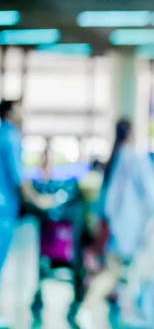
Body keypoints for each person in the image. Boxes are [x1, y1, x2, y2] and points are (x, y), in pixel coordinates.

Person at [77, 118, 154, 329]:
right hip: (124, 227)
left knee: (120, 271)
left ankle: (121, 311)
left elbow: (105, 197)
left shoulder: (116, 157)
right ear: (132, 133)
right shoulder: (135, 159)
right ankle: (86, 309)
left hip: (112, 224)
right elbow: (153, 193)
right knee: (113, 271)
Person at [0, 99, 53, 327]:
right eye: (20, 109)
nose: (24, 114)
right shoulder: (10, 137)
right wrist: (40, 202)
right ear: (10, 112)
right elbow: (20, 180)